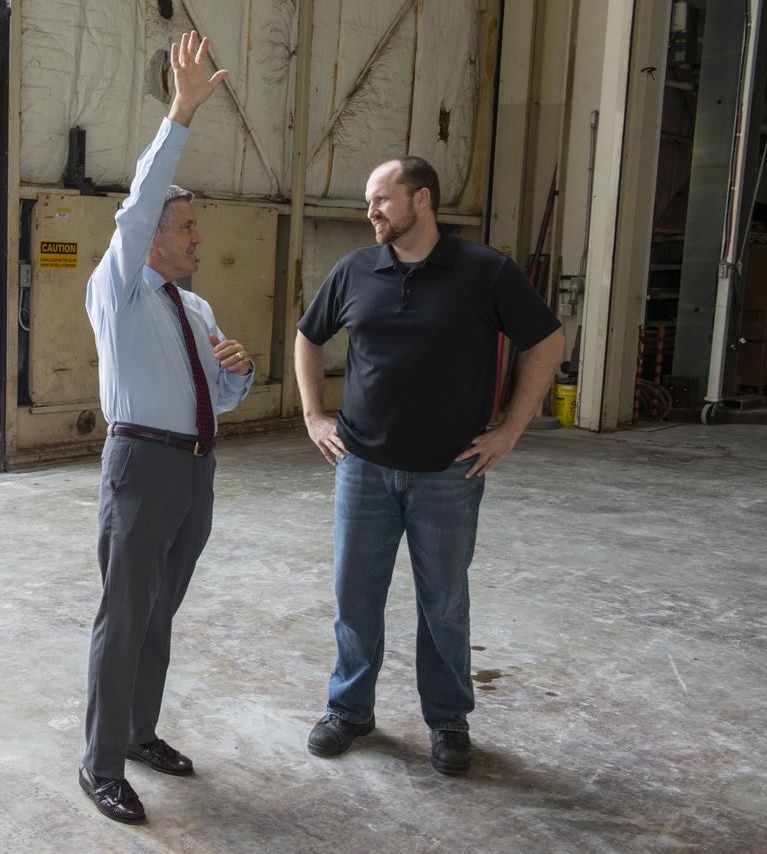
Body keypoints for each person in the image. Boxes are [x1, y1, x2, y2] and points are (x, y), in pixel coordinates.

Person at [294, 156, 564, 776]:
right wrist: (314, 416)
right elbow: (310, 336)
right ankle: (350, 709)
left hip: (449, 471)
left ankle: (447, 720)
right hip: (361, 465)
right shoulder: (355, 269)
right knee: (355, 596)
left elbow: (546, 340)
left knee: (443, 601)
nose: (371, 212)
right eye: (369, 202)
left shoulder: (484, 271)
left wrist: (510, 430)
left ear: (421, 200)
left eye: (381, 199)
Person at [79, 31, 255, 824]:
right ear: (153, 235)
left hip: (194, 469)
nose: (196, 238)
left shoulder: (196, 307)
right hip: (140, 467)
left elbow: (219, 398)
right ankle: (100, 762)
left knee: (159, 611)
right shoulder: (120, 288)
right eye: (185, 229)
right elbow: (142, 197)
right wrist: (180, 112)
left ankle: (142, 732)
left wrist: (239, 374)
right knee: (124, 616)